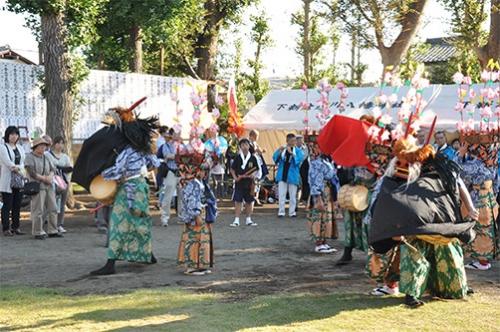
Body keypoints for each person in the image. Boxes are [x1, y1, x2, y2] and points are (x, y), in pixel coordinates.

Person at [369, 135, 478, 307]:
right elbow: (386, 201)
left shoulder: (435, 164)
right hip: (412, 225)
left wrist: (470, 208)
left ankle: (456, 288)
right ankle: (411, 293)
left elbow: (457, 181)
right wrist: (392, 229)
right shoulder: (396, 171)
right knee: (414, 256)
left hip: (441, 219)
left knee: (448, 253)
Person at [85, 98, 160, 275]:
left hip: (128, 189)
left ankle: (111, 263)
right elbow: (154, 162)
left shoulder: (126, 151)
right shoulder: (142, 148)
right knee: (140, 222)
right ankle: (148, 255)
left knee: (118, 224)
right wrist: (143, 167)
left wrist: (100, 175)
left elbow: (118, 171)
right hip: (141, 187)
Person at [458, 148, 499, 271]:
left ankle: (482, 261)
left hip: (478, 199)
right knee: (487, 229)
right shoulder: (493, 163)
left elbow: (458, 172)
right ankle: (483, 260)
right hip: (490, 198)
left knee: (478, 229)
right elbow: (497, 184)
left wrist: (460, 154)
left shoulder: (475, 164)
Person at [177, 161, 216, 275]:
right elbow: (191, 201)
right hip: (196, 214)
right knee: (194, 239)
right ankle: (192, 266)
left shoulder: (197, 182)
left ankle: (200, 265)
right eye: (204, 170)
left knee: (201, 239)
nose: (205, 173)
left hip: (202, 212)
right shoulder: (193, 183)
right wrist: (196, 215)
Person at [24, 137, 61, 239]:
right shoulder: (29, 157)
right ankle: (37, 231)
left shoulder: (47, 157)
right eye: (41, 146)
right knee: (38, 210)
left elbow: (53, 169)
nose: (43, 148)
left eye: (44, 146)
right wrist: (45, 178)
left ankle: (53, 230)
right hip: (37, 187)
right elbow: (31, 172)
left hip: (49, 186)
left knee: (53, 208)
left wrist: (50, 177)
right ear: (35, 147)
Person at [307, 142, 336, 253]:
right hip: (320, 192)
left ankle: (324, 241)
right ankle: (319, 243)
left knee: (325, 217)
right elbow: (314, 181)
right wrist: (317, 198)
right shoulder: (316, 163)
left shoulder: (326, 161)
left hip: (327, 191)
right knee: (319, 216)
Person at [0, 126, 26, 236]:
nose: (14, 136)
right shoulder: (3, 147)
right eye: (11, 134)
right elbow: (7, 161)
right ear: (7, 135)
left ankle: (16, 227)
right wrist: (15, 168)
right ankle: (6, 228)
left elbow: (23, 162)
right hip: (7, 180)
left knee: (17, 204)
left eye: (16, 134)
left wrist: (18, 169)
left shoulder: (20, 148)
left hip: (18, 179)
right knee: (7, 205)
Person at [230, 138, 260, 227]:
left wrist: (253, 175)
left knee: (249, 201)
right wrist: (235, 177)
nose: (244, 147)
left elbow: (257, 169)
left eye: (246, 145)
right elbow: (232, 169)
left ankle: (248, 219)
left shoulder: (253, 157)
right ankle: (236, 220)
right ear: (240, 147)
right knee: (238, 201)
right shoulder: (238, 157)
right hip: (239, 182)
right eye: (242, 145)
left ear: (249, 146)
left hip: (249, 182)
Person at [273, 133, 304, 218]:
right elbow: (275, 158)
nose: (293, 142)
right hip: (282, 174)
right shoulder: (282, 149)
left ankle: (292, 212)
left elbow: (299, 160)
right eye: (291, 141)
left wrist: (292, 154)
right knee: (282, 194)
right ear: (287, 141)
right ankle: (281, 212)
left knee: (293, 195)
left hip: (293, 175)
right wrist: (279, 151)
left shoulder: (298, 151)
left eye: (294, 141)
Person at [46, 136, 73, 233]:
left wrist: (66, 181)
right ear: (54, 144)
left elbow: (69, 169)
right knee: (52, 204)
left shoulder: (65, 157)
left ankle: (60, 224)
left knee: (61, 204)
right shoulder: (47, 155)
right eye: (58, 143)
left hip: (63, 183)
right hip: (51, 183)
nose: (60, 145)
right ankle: (50, 223)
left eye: (62, 143)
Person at [160, 128, 181, 226]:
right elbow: (167, 155)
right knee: (168, 195)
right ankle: (165, 217)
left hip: (182, 172)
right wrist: (178, 156)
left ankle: (182, 215)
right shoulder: (166, 145)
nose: (178, 135)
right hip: (171, 172)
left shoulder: (182, 145)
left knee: (183, 196)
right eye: (176, 134)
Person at [249, 130, 268, 205]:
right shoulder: (247, 143)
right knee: (252, 182)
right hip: (252, 165)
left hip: (259, 163)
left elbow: (259, 152)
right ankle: (251, 198)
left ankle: (256, 198)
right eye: (256, 136)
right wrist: (254, 150)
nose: (257, 138)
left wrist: (262, 151)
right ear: (251, 136)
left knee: (258, 182)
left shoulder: (255, 143)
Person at [297, 135, 310, 205]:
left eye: (300, 140)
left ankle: (304, 198)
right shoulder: (294, 148)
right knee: (297, 184)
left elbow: (303, 157)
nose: (299, 141)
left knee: (305, 183)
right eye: (298, 140)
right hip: (296, 167)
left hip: (304, 167)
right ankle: (298, 199)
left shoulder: (305, 148)